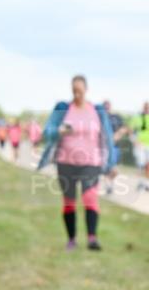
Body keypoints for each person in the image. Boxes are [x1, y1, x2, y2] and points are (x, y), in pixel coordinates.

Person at [37, 75, 117, 251]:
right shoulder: (63, 109)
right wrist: (59, 130)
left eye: (80, 90)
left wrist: (112, 163)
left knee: (90, 198)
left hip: (91, 162)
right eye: (74, 91)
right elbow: (47, 132)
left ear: (86, 89)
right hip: (65, 161)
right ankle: (71, 240)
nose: (77, 94)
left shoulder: (97, 111)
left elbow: (108, 137)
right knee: (69, 201)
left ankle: (92, 238)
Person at [101, 100, 128, 195]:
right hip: (103, 147)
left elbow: (124, 128)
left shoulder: (116, 117)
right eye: (105, 106)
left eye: (108, 106)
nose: (106, 108)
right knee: (106, 168)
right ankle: (108, 186)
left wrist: (117, 135)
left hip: (115, 147)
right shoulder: (100, 118)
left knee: (115, 169)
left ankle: (109, 183)